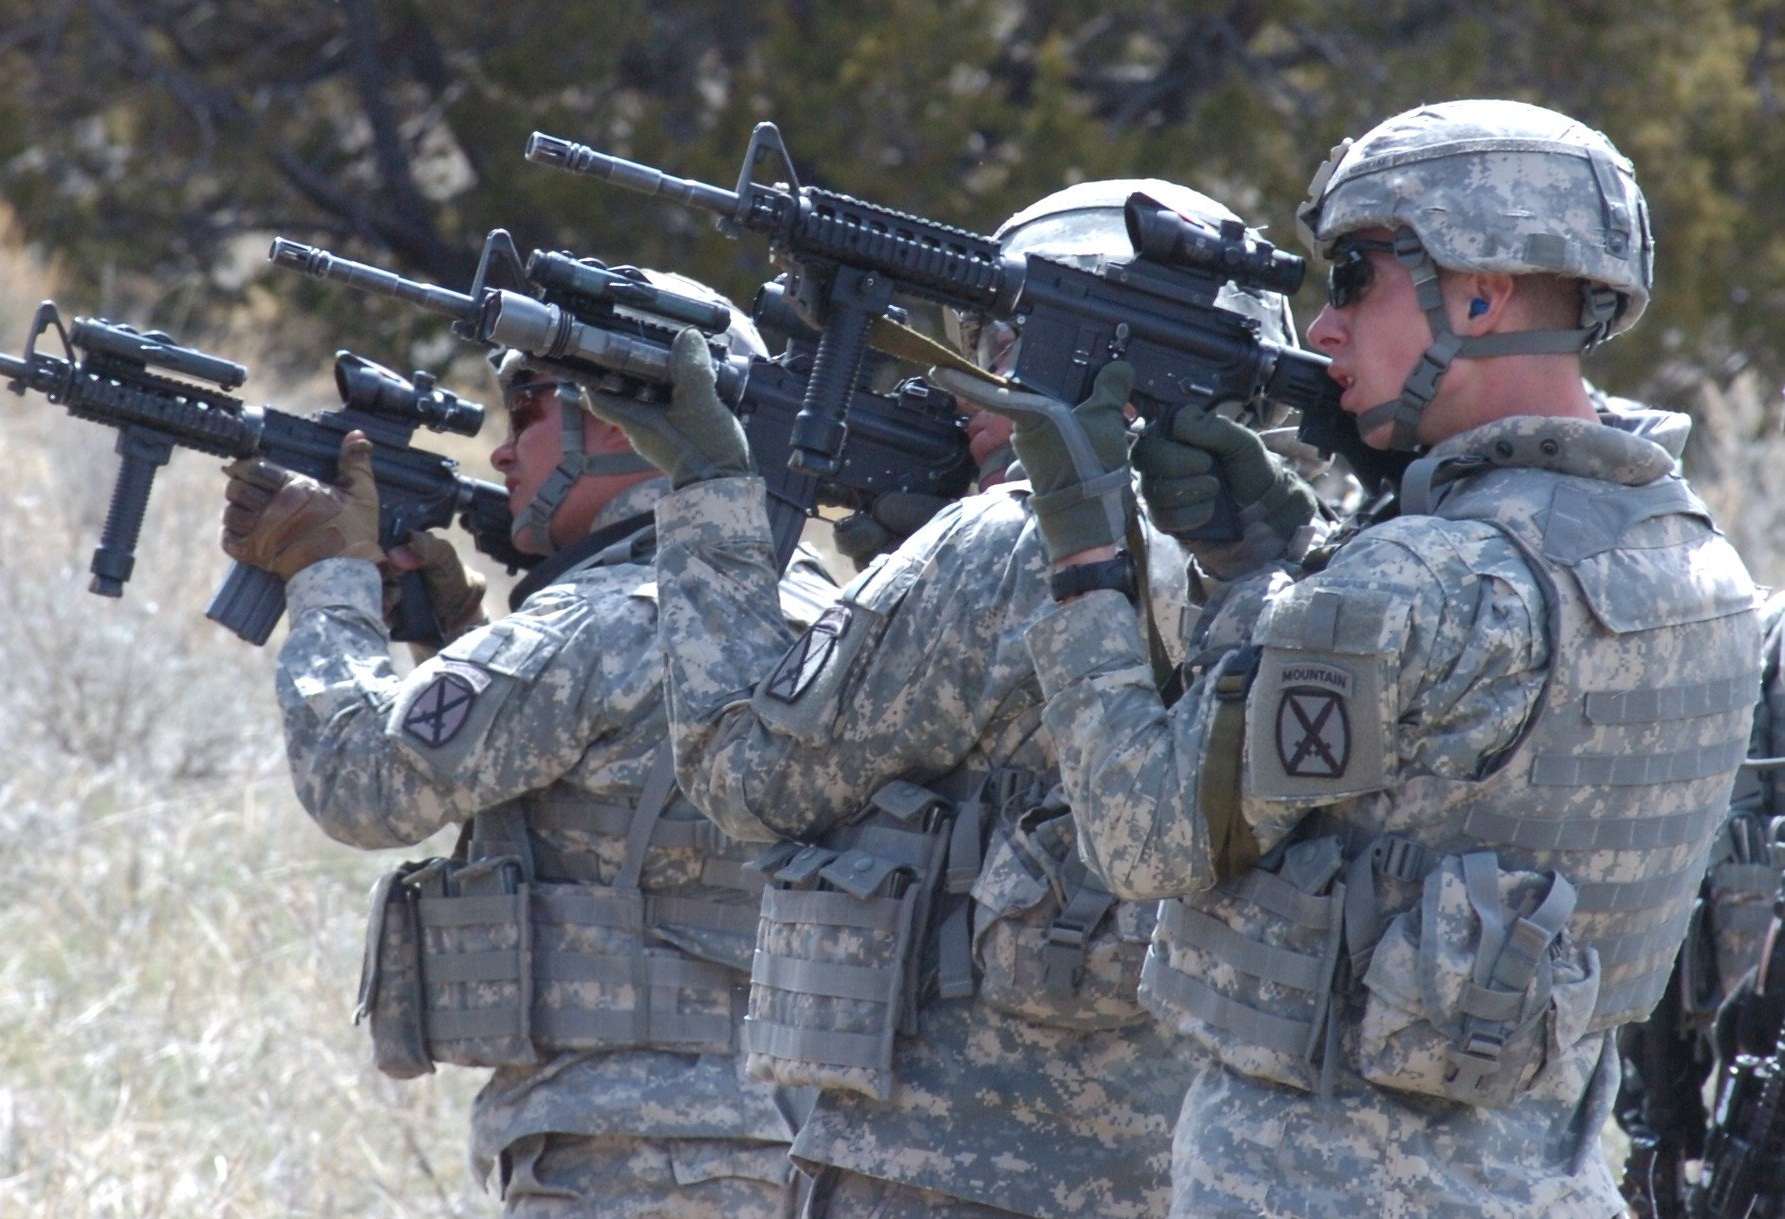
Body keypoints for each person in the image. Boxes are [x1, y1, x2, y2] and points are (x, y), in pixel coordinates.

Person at [994, 98, 1763, 1216]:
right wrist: (1270, 569)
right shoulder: (1699, 566)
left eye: (1354, 274)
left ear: (1482, 293)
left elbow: (1145, 835)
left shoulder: (1424, 579)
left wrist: (1084, 562)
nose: (1321, 326)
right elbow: (1445, 772)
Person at [589, 180, 1310, 1219]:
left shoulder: (1004, 536)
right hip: (1189, 1170)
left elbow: (742, 771)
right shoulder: (1282, 556)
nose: (968, 385)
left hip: (953, 1164)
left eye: (1000, 341)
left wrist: (708, 489)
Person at [216, 279, 838, 1218]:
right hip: (790, 1146)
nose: (503, 450)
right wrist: (458, 627)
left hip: (631, 1157)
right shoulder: (813, 604)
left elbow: (358, 781)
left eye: (531, 409)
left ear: (627, 419)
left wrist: (327, 579)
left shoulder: (601, 621)